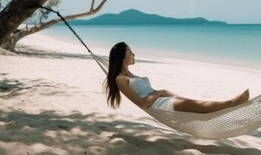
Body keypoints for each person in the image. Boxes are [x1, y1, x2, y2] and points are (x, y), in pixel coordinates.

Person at [104, 42, 249, 113]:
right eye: (131, 52)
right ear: (123, 57)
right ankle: (231, 103)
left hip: (164, 99)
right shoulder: (120, 79)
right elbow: (142, 104)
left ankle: (230, 105)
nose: (134, 54)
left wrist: (162, 92)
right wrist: (159, 93)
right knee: (199, 106)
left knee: (197, 104)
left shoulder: (130, 75)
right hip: (160, 105)